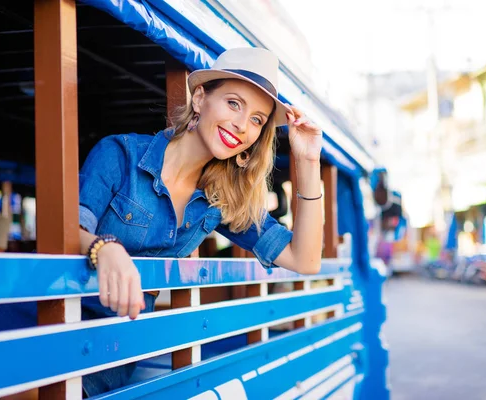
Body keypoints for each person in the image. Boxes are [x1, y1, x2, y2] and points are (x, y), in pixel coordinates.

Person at [75, 47, 324, 395]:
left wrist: (309, 161)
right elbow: (68, 227)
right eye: (234, 103)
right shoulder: (120, 155)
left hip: (112, 359)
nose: (241, 125)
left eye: (256, 119)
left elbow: (306, 259)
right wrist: (106, 249)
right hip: (57, 329)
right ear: (200, 98)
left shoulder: (220, 201)